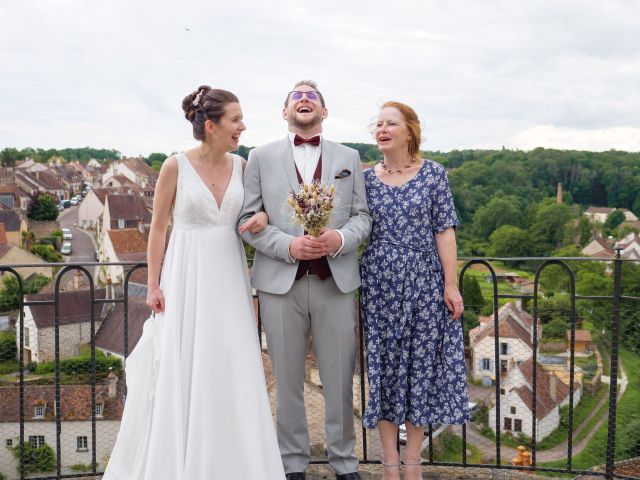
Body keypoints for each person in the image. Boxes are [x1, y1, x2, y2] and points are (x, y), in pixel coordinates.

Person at [102, 86, 286, 479]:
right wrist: (153, 285)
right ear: (211, 124)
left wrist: (264, 220)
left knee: (231, 361)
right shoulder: (174, 166)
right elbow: (157, 231)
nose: (243, 126)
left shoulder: (242, 165)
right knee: (186, 362)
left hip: (229, 277)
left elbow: (262, 211)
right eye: (236, 119)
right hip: (185, 277)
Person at [238, 80, 372, 480]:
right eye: (296, 97)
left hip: (336, 282)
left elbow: (362, 217)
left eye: (312, 96)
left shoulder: (350, 157)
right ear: (284, 113)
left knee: (338, 378)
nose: (304, 100)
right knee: (288, 380)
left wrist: (340, 239)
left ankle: (345, 464)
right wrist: (288, 246)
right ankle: (291, 465)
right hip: (281, 285)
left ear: (324, 113)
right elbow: (248, 221)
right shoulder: (259, 157)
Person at [360, 102, 470, 480]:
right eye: (378, 124)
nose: (382, 129)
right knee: (384, 372)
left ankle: (413, 462)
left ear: (410, 131)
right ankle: (390, 461)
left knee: (420, 371)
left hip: (425, 284)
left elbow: (445, 230)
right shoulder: (365, 179)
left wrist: (451, 284)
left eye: (391, 123)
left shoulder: (434, 174)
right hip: (379, 288)